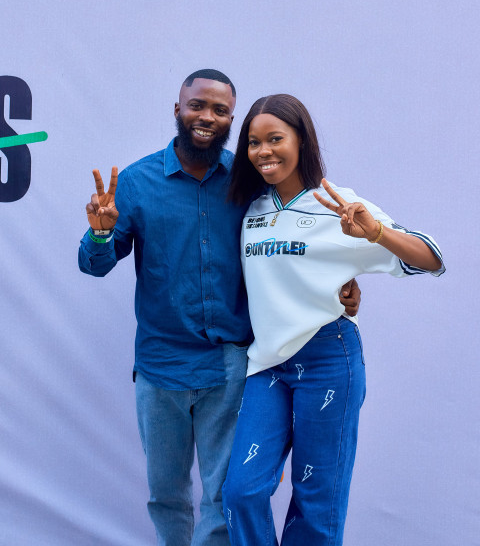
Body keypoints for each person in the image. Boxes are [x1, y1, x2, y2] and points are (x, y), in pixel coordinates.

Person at [78, 71, 361, 546]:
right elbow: (94, 265)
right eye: (197, 106)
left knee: (221, 497)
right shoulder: (135, 183)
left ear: (232, 117)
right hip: (160, 368)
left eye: (220, 110)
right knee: (165, 494)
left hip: (229, 366)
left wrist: (341, 280)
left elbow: (294, 241)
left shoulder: (250, 182)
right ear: (177, 110)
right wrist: (102, 232)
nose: (207, 117)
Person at [222, 93, 444, 546]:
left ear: (302, 140)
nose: (263, 151)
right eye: (253, 142)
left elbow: (431, 259)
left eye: (276, 139)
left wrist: (377, 233)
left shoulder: (338, 205)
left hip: (328, 359)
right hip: (266, 367)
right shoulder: (253, 210)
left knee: (315, 504)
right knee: (241, 493)